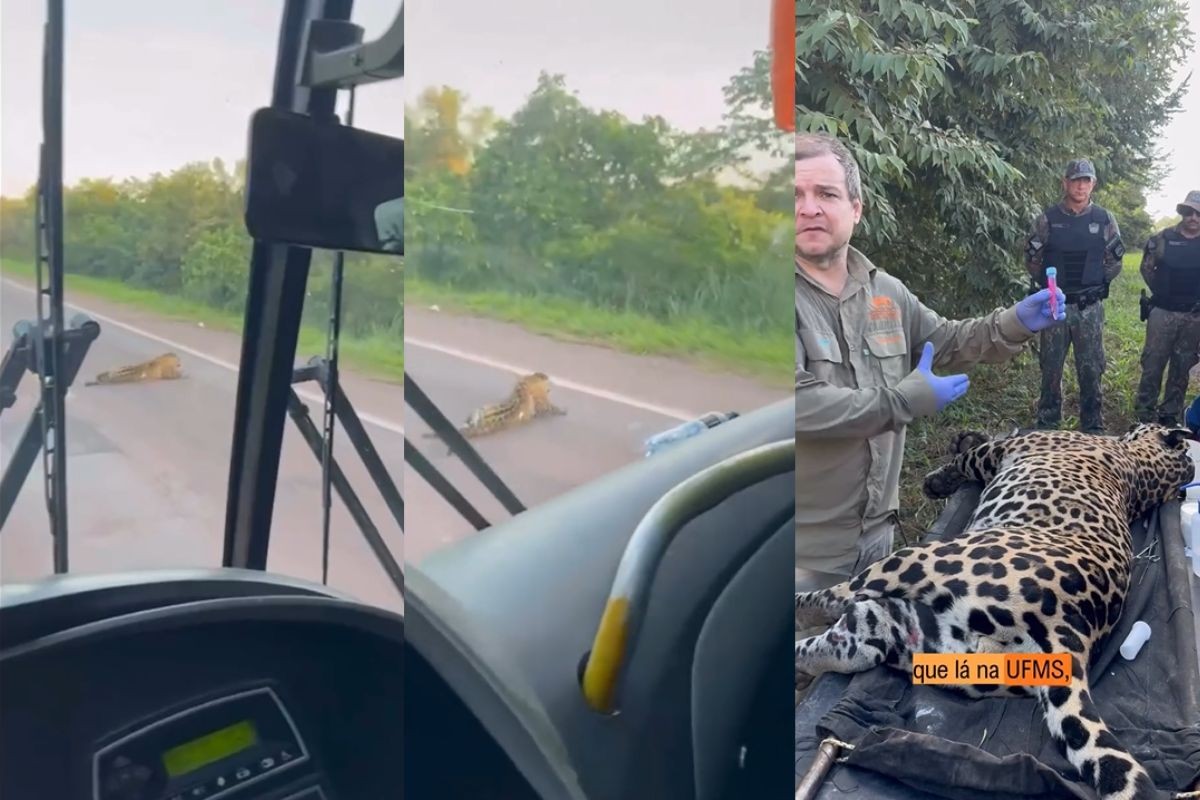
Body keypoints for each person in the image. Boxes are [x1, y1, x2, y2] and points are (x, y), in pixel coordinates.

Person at [794, 133, 1065, 626]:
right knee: (801, 663)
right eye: (793, 195)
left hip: (878, 537)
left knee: (868, 651)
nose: (808, 208)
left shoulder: (885, 291)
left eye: (826, 194)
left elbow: (947, 340)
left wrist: (1015, 322)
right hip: (802, 552)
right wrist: (903, 401)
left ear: (856, 208)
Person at [1024, 159, 1125, 434]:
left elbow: (1114, 261)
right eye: (1076, 180)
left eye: (1086, 180)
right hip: (1054, 306)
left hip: (1089, 307)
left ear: (1093, 184)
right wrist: (1052, 288)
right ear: (1065, 182)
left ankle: (1092, 426)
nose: (1081, 186)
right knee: (1051, 367)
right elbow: (1033, 260)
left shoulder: (1104, 219)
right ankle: (1047, 426)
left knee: (1091, 368)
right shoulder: (1046, 219)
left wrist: (1094, 284)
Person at [1133, 190, 1200, 426]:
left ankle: (1170, 416)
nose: (1193, 217)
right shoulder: (1161, 239)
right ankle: (1144, 415)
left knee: (1182, 368)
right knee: (1152, 364)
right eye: (1189, 212)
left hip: (1194, 316)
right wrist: (1164, 294)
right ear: (1182, 212)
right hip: (1162, 312)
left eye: (1198, 213)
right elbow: (1147, 269)